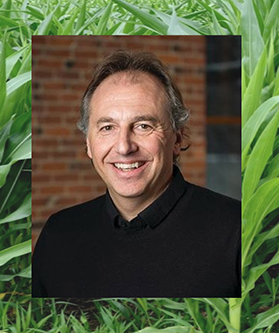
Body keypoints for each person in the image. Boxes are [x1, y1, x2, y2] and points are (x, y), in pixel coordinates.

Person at [32, 50, 241, 298]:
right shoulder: (59, 233)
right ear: (88, 143)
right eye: (107, 127)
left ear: (177, 138)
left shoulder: (237, 230)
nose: (124, 147)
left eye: (143, 126)